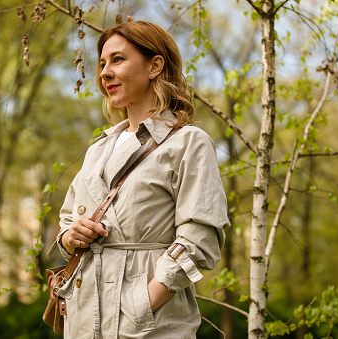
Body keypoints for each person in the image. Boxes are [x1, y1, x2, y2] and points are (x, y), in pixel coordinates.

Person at [53, 20, 230, 338]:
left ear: (154, 66)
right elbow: (67, 221)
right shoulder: (98, 149)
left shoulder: (188, 142)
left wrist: (143, 303)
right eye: (103, 63)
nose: (104, 72)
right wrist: (71, 237)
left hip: (149, 327)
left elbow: (200, 237)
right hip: (81, 320)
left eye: (118, 59)